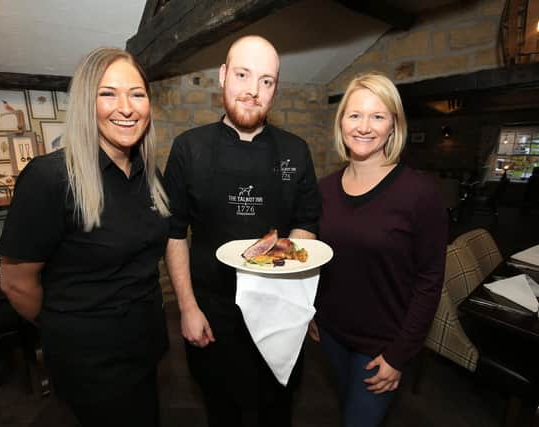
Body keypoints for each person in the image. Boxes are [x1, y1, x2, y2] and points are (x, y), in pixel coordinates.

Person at [0, 47, 170, 427]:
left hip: (144, 348)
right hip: (91, 362)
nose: (126, 107)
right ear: (85, 103)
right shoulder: (50, 179)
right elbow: (15, 283)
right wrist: (64, 324)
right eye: (107, 93)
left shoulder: (148, 175)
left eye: (137, 93)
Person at [163, 35, 321, 427]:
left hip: (278, 312)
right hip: (212, 312)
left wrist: (294, 289)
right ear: (222, 76)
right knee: (222, 411)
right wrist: (187, 308)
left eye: (266, 81)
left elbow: (307, 223)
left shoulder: (296, 151)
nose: (253, 91)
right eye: (243, 75)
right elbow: (174, 232)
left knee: (277, 411)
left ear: (276, 88)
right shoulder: (188, 148)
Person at [312, 72, 447, 427]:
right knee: (346, 409)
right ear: (341, 122)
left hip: (381, 347)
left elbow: (430, 279)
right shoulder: (323, 190)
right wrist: (310, 313)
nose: (364, 127)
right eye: (354, 115)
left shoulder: (420, 194)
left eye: (378, 116)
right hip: (330, 334)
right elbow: (314, 260)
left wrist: (399, 354)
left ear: (393, 125)